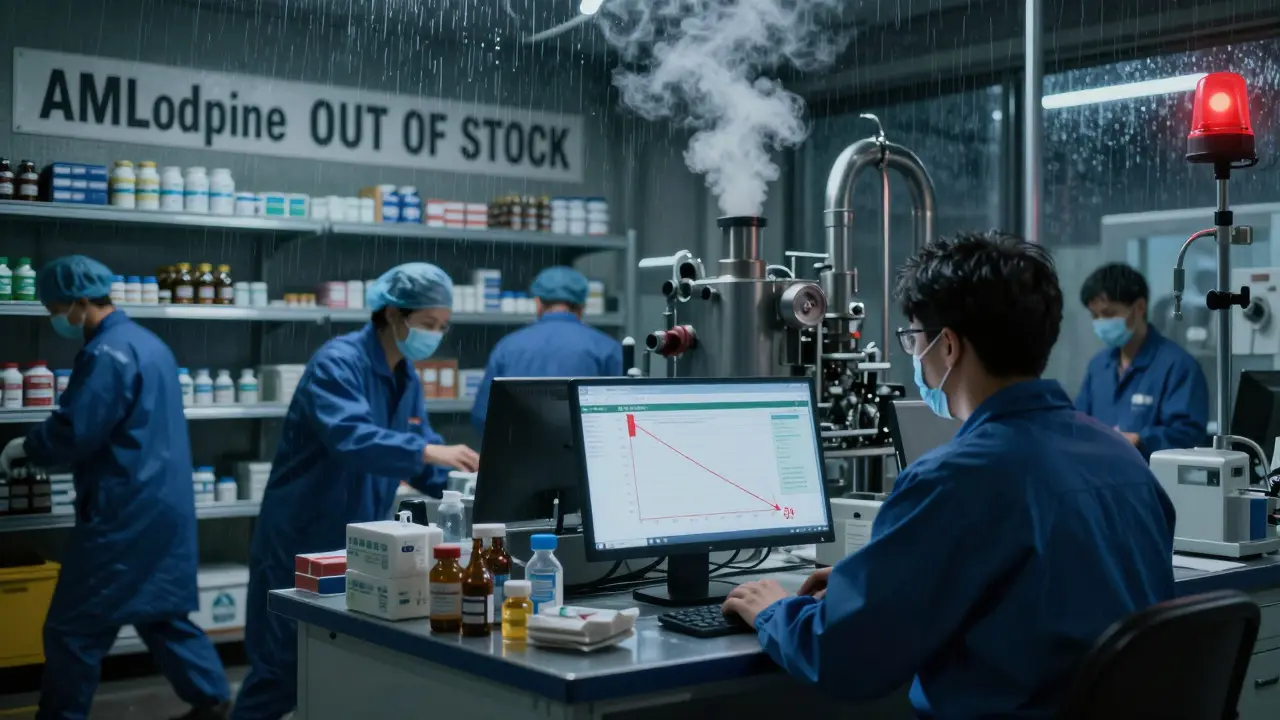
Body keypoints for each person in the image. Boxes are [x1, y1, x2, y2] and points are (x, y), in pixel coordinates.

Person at [721, 232, 1176, 718]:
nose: (915, 353)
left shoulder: (953, 479)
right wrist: (881, 581)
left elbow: (844, 656)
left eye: (914, 338)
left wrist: (774, 610)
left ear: (949, 346)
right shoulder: (1122, 457)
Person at [232, 262, 479, 720]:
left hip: (361, 546)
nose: (435, 335)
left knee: (341, 668)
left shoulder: (405, 375)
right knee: (282, 670)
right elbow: (352, 438)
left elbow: (420, 454)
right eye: (428, 324)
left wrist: (470, 487)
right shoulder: (338, 362)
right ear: (393, 314)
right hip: (302, 540)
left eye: (443, 326)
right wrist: (428, 451)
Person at [0, 256, 230, 720]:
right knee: (160, 613)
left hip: (122, 514)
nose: (55, 318)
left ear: (80, 301)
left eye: (56, 308)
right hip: (162, 506)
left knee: (72, 629)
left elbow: (77, 429)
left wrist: (28, 446)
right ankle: (213, 700)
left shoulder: (107, 353)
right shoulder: (149, 344)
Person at [1076, 263, 1209, 458]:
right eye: (1095, 316)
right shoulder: (1098, 366)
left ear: (1139, 307)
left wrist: (1140, 440)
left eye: (1109, 313)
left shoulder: (1178, 366)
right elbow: (1079, 423)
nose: (1101, 323)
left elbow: (1188, 435)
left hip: (1151, 475)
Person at [470, 266, 622, 435]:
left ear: (538, 303)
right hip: (584, 449)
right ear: (582, 306)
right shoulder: (606, 348)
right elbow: (622, 412)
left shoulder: (507, 347)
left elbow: (483, 415)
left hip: (520, 448)